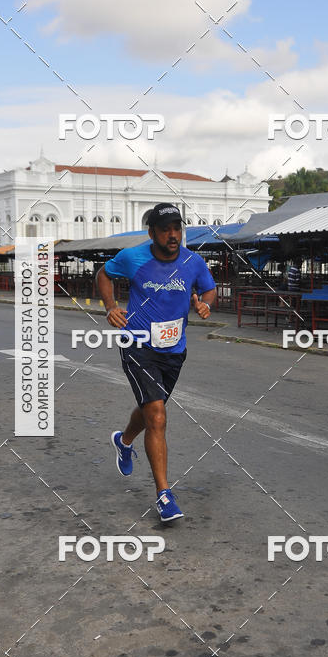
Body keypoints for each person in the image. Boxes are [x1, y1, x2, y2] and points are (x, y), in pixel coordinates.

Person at [96, 203, 216, 522]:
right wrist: (110, 307)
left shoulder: (193, 262)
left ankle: (124, 441)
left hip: (174, 349)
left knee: (153, 409)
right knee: (158, 416)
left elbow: (210, 288)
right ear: (152, 233)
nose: (173, 234)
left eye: (177, 228)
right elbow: (104, 275)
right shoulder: (133, 257)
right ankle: (164, 495)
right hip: (137, 345)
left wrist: (204, 304)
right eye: (165, 229)